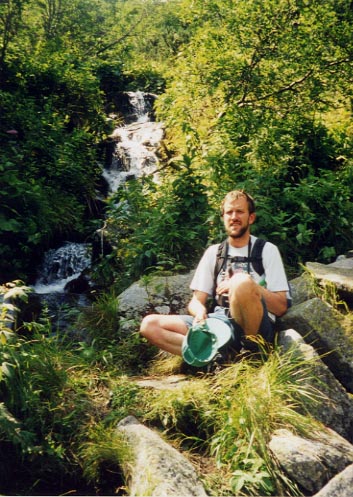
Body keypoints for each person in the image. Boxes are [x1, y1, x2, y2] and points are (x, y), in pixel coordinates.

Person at [140, 190, 291, 361]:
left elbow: (281, 307)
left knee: (241, 282)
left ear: (251, 218)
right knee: (149, 325)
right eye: (229, 212)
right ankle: (214, 358)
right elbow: (196, 301)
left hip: (257, 327)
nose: (234, 217)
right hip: (220, 323)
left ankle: (252, 353)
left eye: (240, 211)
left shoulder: (267, 250)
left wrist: (246, 285)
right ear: (223, 218)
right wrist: (199, 313)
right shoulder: (214, 253)